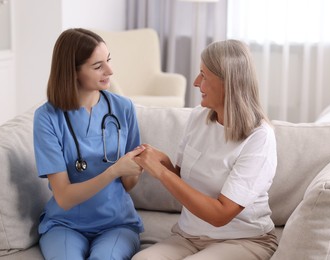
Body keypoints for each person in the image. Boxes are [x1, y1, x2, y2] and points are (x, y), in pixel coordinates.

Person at [132, 39, 278, 260]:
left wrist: (161, 174)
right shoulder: (199, 118)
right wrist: (165, 163)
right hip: (189, 237)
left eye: (204, 75)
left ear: (228, 82)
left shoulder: (259, 137)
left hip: (243, 240)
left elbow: (220, 215)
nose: (195, 82)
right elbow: (185, 184)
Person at [33, 28, 145, 260]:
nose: (110, 71)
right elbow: (63, 196)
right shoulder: (47, 117)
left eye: (108, 60)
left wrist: (138, 167)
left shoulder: (124, 109)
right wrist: (114, 170)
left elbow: (128, 183)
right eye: (98, 66)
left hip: (117, 223)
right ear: (73, 72)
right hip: (65, 223)